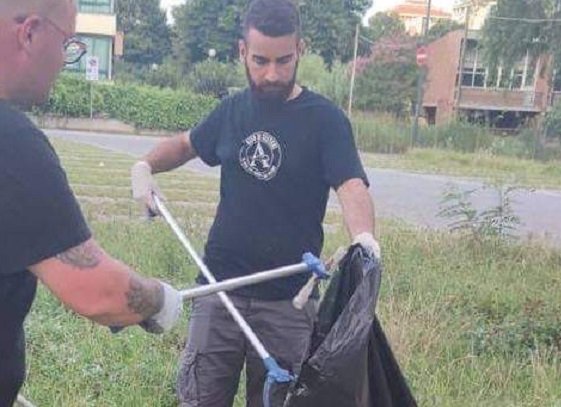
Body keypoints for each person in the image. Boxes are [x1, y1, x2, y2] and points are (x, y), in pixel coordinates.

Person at [130, 1, 380, 405]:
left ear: (301, 48)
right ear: (242, 51)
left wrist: (364, 237)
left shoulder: (325, 120)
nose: (272, 74)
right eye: (261, 60)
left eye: (284, 60)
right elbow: (185, 145)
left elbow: (351, 184)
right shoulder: (232, 111)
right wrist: (145, 166)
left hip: (288, 304)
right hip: (219, 292)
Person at [0, 0, 183, 405]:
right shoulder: (12, 144)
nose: (66, 61)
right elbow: (100, 291)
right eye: (68, 43)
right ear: (29, 33)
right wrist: (160, 299)